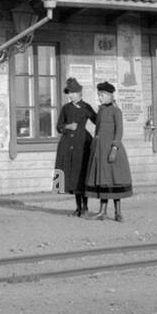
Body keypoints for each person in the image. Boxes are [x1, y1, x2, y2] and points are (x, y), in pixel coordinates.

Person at [85, 81, 132, 221]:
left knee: (114, 180)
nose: (99, 98)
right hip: (99, 150)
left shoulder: (116, 111)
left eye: (102, 95)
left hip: (112, 151)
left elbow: (119, 131)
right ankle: (102, 211)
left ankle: (118, 213)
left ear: (110, 95)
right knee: (103, 181)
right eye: (99, 95)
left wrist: (114, 148)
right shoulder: (101, 110)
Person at [55, 77, 96, 216]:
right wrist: (68, 126)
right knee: (71, 177)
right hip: (67, 145)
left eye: (73, 92)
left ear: (79, 93)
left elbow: (97, 121)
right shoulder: (65, 108)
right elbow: (58, 126)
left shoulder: (86, 107)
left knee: (81, 175)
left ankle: (85, 207)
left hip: (82, 144)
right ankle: (78, 207)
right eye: (69, 93)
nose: (70, 95)